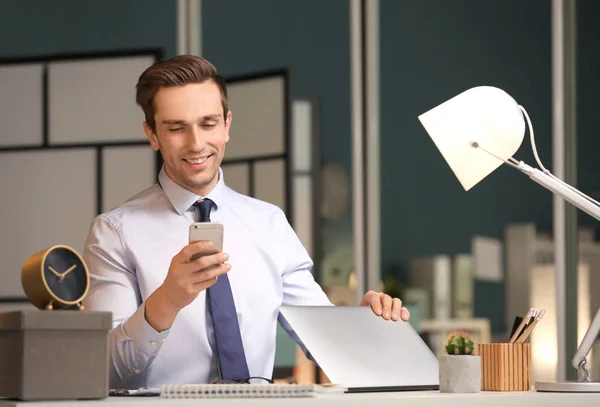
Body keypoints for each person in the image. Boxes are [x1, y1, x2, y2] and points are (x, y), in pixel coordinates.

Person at [82, 54, 410, 390]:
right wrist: (166, 300)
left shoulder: (269, 223)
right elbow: (104, 373)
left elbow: (330, 346)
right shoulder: (114, 233)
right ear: (152, 135)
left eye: (208, 124)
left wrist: (367, 324)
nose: (196, 144)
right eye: (177, 128)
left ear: (227, 125)